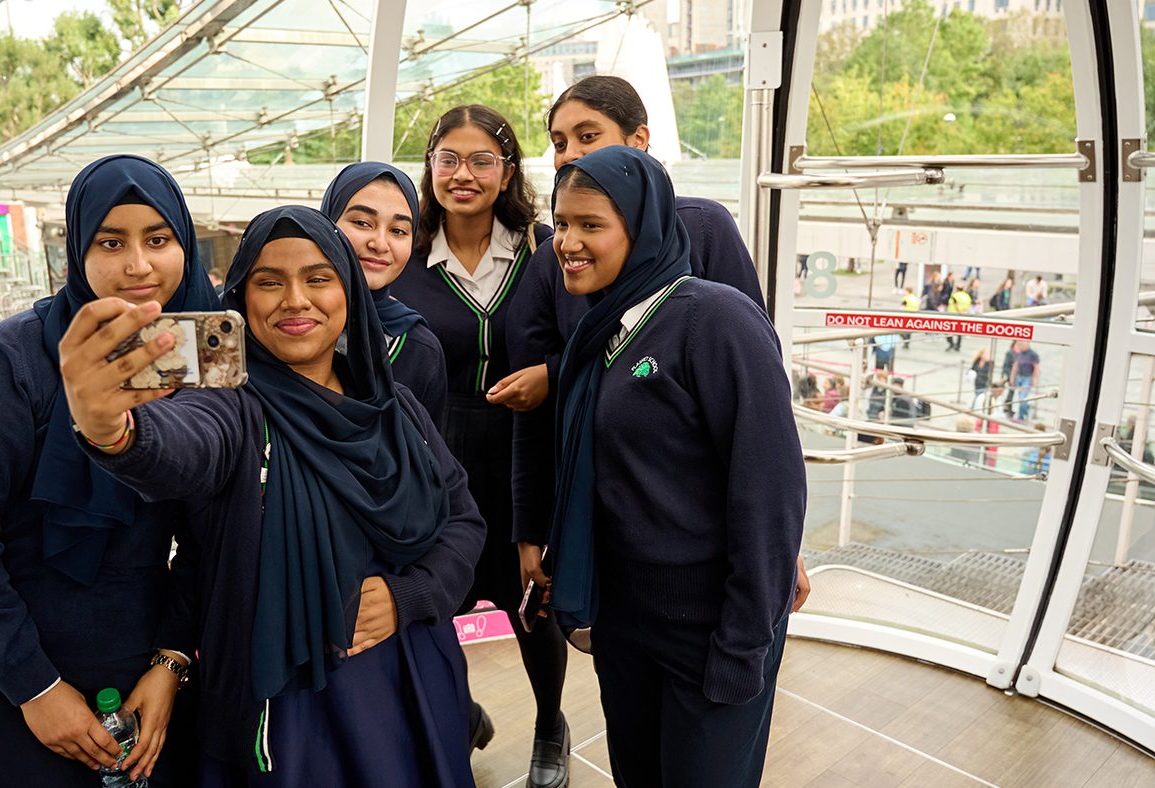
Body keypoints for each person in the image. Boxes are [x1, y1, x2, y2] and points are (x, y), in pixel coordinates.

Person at [62, 206, 486, 786]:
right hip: (294, 711)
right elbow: (183, 448)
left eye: (317, 278)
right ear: (240, 301)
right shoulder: (235, 408)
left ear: (348, 292)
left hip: (415, 679)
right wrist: (112, 430)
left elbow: (464, 522)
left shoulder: (397, 408)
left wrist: (408, 594)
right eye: (268, 282)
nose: (295, 300)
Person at [0, 155, 209, 786]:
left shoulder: (201, 363)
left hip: (136, 653)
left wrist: (171, 661)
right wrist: (34, 687)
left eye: (159, 240)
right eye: (111, 242)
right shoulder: (9, 365)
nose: (138, 265)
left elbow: (215, 536)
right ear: (77, 253)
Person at [532, 146, 804, 786]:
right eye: (562, 223)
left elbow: (770, 494)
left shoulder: (715, 319)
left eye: (591, 225)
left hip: (709, 630)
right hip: (627, 625)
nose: (568, 242)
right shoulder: (602, 332)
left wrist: (744, 646)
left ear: (644, 225)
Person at [387, 104, 569, 783]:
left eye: (481, 161)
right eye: (448, 159)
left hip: (525, 453)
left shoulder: (545, 249)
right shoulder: (405, 256)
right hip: (435, 453)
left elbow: (584, 345)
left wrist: (551, 375)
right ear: (430, 166)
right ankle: (460, 712)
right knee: (436, 603)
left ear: (508, 171)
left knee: (533, 607)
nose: (463, 174)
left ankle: (552, 725)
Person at [320, 162, 447, 423]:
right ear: (326, 223)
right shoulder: (287, 321)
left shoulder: (419, 349)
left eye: (398, 231)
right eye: (362, 222)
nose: (379, 244)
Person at [1011, 340, 1042, 421]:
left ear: (1027, 344)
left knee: (1022, 398)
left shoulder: (1033, 354)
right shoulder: (1019, 353)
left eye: (1022, 344)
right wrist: (1012, 378)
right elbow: (1015, 366)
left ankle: (1021, 416)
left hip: (1027, 378)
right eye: (1019, 344)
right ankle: (1025, 412)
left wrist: (1034, 379)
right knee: (1020, 398)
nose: (1020, 345)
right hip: (1019, 377)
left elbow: (1036, 368)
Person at [946, 285, 971, 351]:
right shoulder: (966, 296)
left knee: (948, 330)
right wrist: (963, 311)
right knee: (959, 330)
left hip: (953, 316)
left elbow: (954, 304)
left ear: (957, 289)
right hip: (962, 316)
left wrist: (959, 311)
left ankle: (951, 343)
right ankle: (958, 345)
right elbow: (969, 305)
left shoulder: (955, 296)